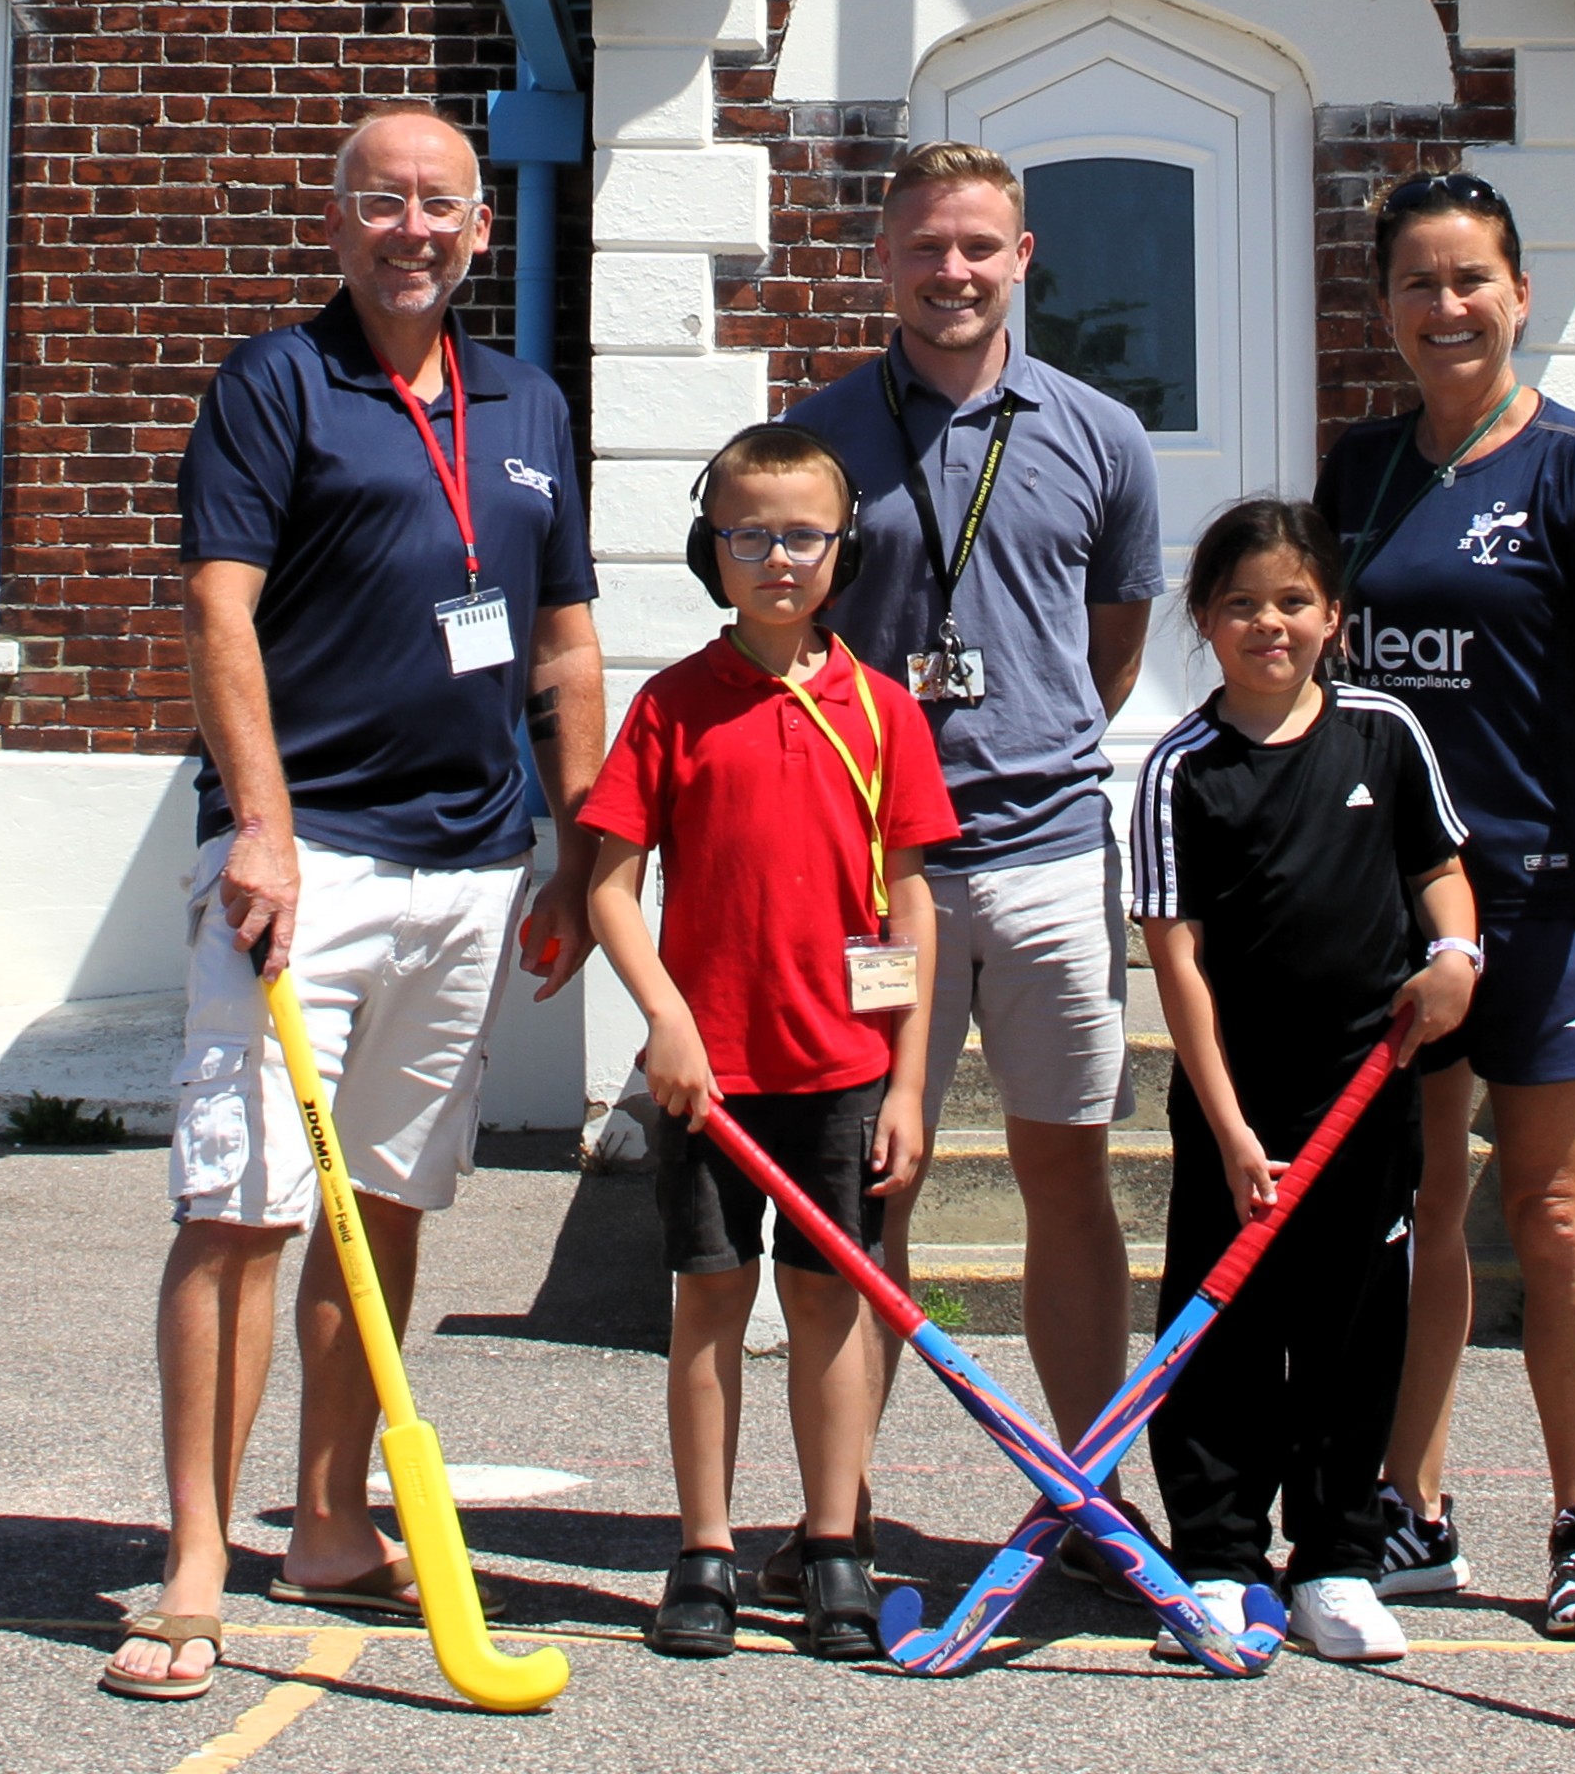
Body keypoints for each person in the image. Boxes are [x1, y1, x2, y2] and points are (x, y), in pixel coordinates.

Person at [104, 107, 606, 1704]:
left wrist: (579, 851)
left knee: (381, 1203)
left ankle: (328, 1522)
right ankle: (193, 1560)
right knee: (242, 1204)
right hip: (304, 863)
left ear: (479, 229)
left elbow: (567, 648)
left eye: (441, 204)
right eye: (383, 202)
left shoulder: (527, 400)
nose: (415, 228)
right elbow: (217, 611)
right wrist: (259, 826)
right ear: (339, 222)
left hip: (470, 868)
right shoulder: (276, 383)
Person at [1314, 168, 1575, 1639]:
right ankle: (1412, 1506)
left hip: (1541, 889)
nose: (1446, 305)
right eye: (1418, 281)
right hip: (1398, 899)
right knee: (1415, 1210)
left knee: (1557, 1212)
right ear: (1387, 307)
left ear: (1520, 294)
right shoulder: (1363, 471)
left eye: (1471, 278)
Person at [786, 142, 1165, 1491]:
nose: (953, 271)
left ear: (1024, 258)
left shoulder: (1100, 436)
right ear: (885, 260)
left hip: (1050, 859)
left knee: (1068, 1178)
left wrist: (1026, 740)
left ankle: (1093, 1492)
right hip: (884, 880)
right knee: (873, 1179)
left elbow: (1112, 646)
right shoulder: (820, 437)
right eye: (927, 247)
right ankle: (845, 1517)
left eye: (979, 247)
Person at [580, 424, 951, 1663]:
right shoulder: (671, 706)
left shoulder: (887, 712)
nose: (778, 558)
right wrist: (667, 1021)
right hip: (711, 1085)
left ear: (843, 550)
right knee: (709, 1304)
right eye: (750, 535)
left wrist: (905, 1078)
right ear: (711, 547)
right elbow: (611, 891)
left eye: (803, 535)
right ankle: (705, 1548)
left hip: (841, 1073)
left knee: (833, 1310)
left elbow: (907, 906)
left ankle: (836, 1543)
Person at [1129, 498, 1483, 1666]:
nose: (1267, 624)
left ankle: (1334, 1556)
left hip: (1365, 1096)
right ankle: (1220, 1558)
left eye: (1292, 601)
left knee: (1351, 1329)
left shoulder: (1385, 734)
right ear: (1205, 620)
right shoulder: (1183, 768)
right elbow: (1175, 958)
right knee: (1220, 1326)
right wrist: (1228, 1126)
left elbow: (1438, 873)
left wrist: (1456, 960)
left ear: (1333, 615)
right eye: (1240, 604)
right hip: (1242, 1107)